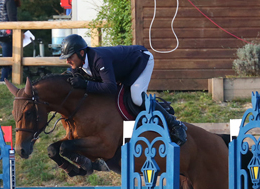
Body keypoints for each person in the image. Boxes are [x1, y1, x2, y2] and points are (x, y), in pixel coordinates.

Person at [59, 34, 187, 145]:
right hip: (124, 69)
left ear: (81, 53)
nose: (67, 61)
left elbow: (110, 87)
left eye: (70, 57)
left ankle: (175, 124)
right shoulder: (77, 64)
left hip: (140, 60)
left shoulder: (99, 59)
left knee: (136, 98)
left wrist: (86, 84)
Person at [0, 0, 20, 82]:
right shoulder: (10, 1)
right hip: (6, 33)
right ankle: (3, 79)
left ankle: (5, 78)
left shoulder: (1, 1)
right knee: (8, 58)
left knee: (8, 56)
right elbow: (12, 17)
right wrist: (18, 30)